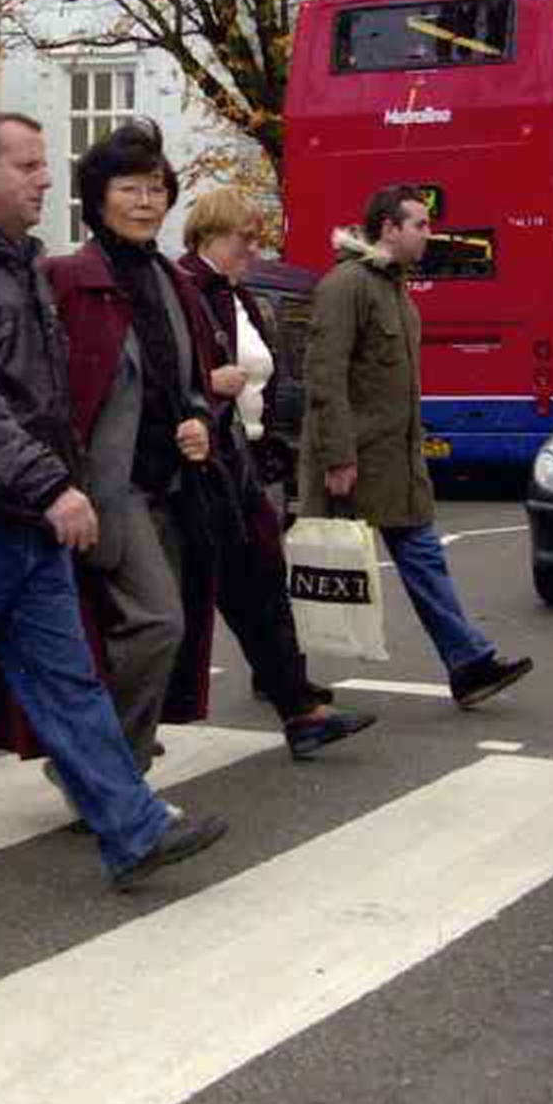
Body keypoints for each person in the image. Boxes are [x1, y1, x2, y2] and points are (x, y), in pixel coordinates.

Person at [0, 112, 227, 891]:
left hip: (15, 512)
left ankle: (131, 829)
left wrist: (55, 483)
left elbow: (40, 398)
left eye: (43, 164)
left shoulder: (11, 263)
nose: (44, 178)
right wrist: (53, 485)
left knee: (70, 684)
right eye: (26, 165)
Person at [298, 185, 533, 708]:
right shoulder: (346, 286)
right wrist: (336, 457)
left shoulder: (396, 290)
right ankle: (278, 668)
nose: (430, 234)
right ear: (389, 228)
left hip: (396, 462)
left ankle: (469, 664)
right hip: (353, 460)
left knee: (424, 559)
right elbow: (324, 375)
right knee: (315, 563)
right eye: (421, 224)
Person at [178, 185, 373, 759]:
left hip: (244, 454)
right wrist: (209, 384)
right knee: (195, 603)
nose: (254, 250)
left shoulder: (233, 292)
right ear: (214, 231)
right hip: (204, 462)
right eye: (246, 238)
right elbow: (167, 369)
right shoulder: (189, 289)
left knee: (258, 581)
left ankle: (296, 701)